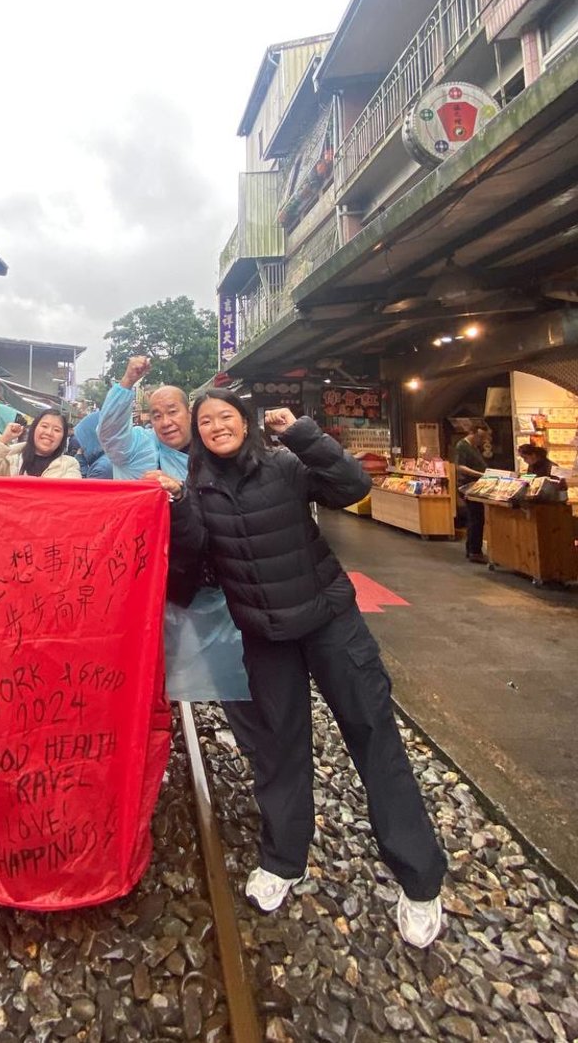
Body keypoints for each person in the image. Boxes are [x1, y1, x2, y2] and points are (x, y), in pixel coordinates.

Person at [159, 390, 446, 948]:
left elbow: (353, 487)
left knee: (373, 737)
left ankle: (419, 879)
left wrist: (304, 433)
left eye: (227, 417)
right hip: (266, 639)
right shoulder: (196, 489)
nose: (218, 426)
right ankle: (283, 860)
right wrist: (172, 510)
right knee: (279, 748)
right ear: (198, 434)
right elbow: (189, 570)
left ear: (245, 422)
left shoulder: (285, 465)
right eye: (207, 421)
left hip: (330, 623)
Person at [97, 356, 256, 757]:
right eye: (156, 414)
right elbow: (110, 433)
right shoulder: (139, 450)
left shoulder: (214, 450)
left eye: (173, 411)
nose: (165, 421)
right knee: (142, 668)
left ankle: (259, 752)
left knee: (233, 670)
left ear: (190, 412)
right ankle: (137, 746)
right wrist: (128, 379)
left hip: (210, 580)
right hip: (146, 580)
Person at [0, 410, 81, 478]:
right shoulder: (11, 458)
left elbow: (69, 498)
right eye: (44, 426)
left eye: (57, 430)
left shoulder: (69, 465)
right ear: (33, 429)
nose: (48, 433)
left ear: (63, 438)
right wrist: (4, 439)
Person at [453, 420, 491, 563]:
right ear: (472, 433)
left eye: (484, 437)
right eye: (480, 437)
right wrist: (480, 474)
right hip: (467, 485)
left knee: (476, 517)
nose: (482, 440)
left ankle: (472, 549)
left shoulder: (474, 447)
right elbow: (460, 467)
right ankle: (474, 551)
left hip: (476, 485)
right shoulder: (462, 446)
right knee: (476, 518)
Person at [72, 411, 113, 480]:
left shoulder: (102, 468)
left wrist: (80, 460)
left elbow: (85, 488)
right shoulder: (106, 459)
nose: (81, 445)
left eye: (83, 439)